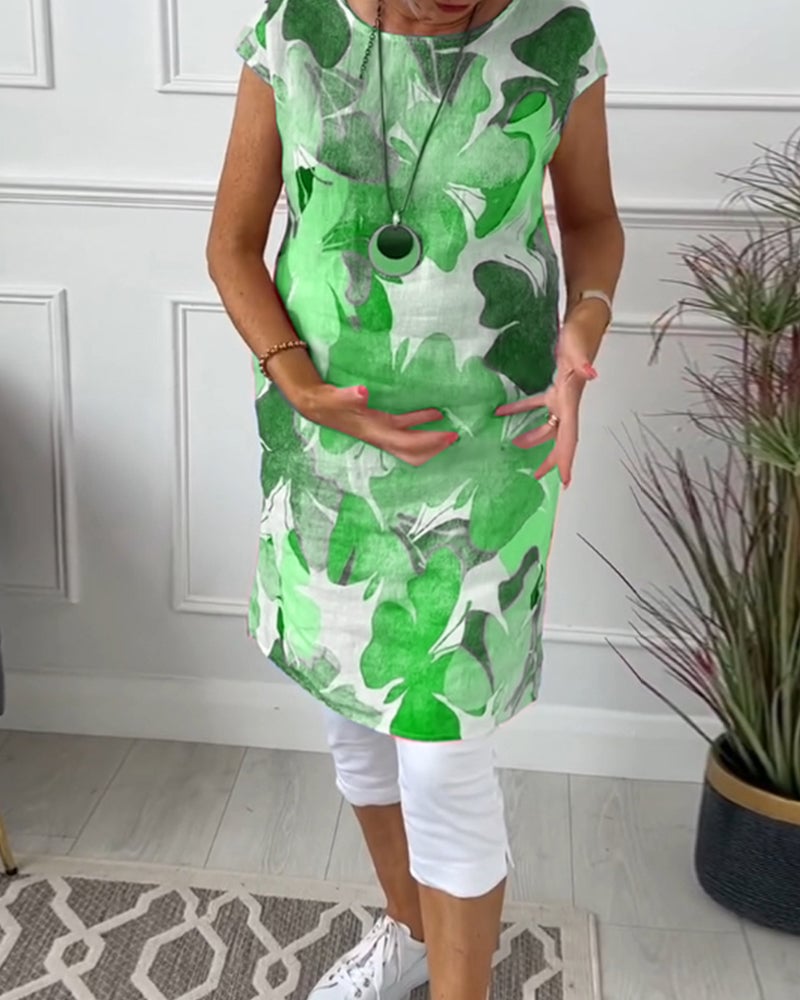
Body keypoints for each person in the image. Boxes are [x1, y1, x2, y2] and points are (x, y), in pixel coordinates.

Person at [207, 0, 624, 997]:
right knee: (354, 725)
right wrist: (298, 382)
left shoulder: (554, 33)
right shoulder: (295, 30)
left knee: (441, 753)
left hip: (490, 451)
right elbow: (232, 244)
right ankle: (408, 930)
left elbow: (593, 222)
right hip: (325, 455)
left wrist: (583, 328)